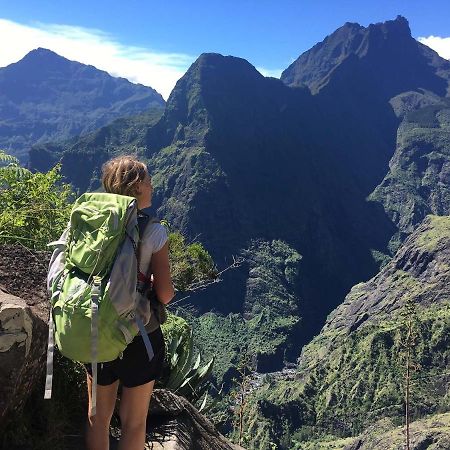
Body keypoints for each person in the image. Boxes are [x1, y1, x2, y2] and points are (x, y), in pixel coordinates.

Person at [84, 155, 175, 450]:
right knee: (134, 423)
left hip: (96, 330)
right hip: (138, 337)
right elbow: (165, 295)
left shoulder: (91, 222)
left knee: (98, 418)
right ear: (136, 188)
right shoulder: (153, 231)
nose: (152, 185)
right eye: (147, 181)